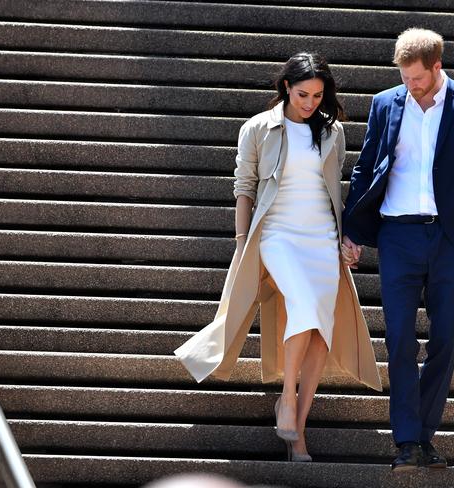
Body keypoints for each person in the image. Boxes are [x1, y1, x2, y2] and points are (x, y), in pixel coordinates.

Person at [175, 53, 382, 463]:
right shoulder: (257, 127)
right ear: (286, 87)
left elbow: (333, 190)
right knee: (304, 308)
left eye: (318, 95)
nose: (310, 103)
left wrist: (345, 238)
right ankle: (285, 400)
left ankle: (297, 434)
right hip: (277, 233)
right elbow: (244, 186)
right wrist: (241, 242)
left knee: (321, 331)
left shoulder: (332, 131)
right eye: (303, 94)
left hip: (321, 237)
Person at [341, 28, 454, 471]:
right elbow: (365, 167)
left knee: (445, 338)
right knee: (399, 337)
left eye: (417, 78)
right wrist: (351, 230)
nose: (410, 85)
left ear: (437, 67)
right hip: (398, 235)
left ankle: (423, 435)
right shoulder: (385, 103)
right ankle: (406, 442)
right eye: (404, 77)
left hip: (451, 238)